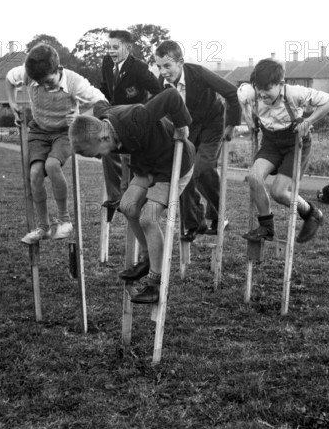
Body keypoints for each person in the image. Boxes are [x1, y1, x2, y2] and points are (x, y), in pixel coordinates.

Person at [69, 87, 194, 304]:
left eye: (97, 154)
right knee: (127, 206)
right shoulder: (104, 124)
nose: (99, 158)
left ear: (104, 136)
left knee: (148, 218)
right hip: (148, 165)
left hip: (174, 163)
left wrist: (182, 124)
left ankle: (157, 283)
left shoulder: (136, 118)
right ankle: (148, 259)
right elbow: (99, 103)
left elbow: (172, 96)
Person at [6, 43, 106, 245]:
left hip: (64, 132)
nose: (45, 86)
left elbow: (102, 102)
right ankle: (43, 227)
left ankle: (65, 221)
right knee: (34, 173)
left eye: (49, 81)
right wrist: (12, 103)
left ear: (58, 69)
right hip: (39, 130)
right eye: (39, 83)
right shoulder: (27, 73)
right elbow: (9, 79)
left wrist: (81, 115)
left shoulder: (75, 82)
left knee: (51, 165)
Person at [238, 58, 329, 244]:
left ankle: (312, 213)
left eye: (267, 89)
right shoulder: (250, 92)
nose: (262, 94)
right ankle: (267, 227)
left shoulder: (294, 93)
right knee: (254, 178)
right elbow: (241, 98)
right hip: (270, 143)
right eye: (259, 88)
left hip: (295, 143)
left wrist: (308, 121)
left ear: (281, 84)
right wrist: (249, 120)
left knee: (279, 192)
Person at [154, 40, 241, 241]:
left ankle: (220, 214)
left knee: (202, 168)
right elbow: (161, 112)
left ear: (181, 62)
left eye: (167, 66)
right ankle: (194, 223)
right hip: (188, 130)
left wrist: (231, 124)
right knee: (183, 171)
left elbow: (231, 93)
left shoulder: (199, 73)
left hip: (212, 124)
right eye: (159, 67)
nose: (163, 71)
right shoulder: (161, 85)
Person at [99, 30, 161, 212]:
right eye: (109, 47)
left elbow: (158, 91)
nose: (111, 51)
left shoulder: (139, 68)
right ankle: (114, 196)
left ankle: (128, 198)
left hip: (134, 123)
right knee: (105, 148)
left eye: (115, 47)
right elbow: (105, 87)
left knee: (129, 162)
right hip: (113, 119)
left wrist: (145, 113)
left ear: (128, 47)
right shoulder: (107, 62)